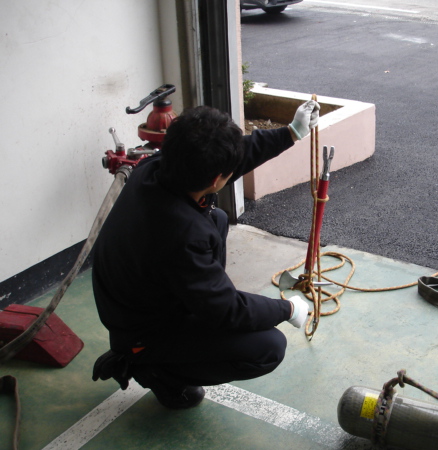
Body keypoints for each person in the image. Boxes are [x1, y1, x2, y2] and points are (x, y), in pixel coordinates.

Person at [92, 100, 320, 409]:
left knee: (217, 219)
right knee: (268, 346)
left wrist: (291, 133)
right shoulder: (183, 234)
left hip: (131, 297)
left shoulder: (156, 166)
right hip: (141, 331)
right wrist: (287, 309)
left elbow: (227, 159)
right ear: (216, 179)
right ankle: (154, 370)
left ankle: (198, 304)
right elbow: (230, 310)